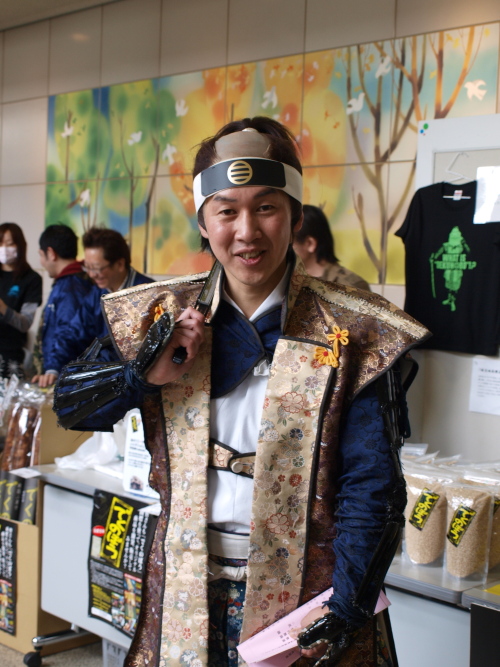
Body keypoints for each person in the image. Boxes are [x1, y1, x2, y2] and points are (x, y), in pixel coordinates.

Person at [54, 117, 429, 667]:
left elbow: (372, 484)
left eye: (266, 207)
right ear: (204, 223)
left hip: (309, 599)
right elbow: (70, 406)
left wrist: (349, 605)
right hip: (184, 586)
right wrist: (140, 375)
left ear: (295, 216)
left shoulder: (356, 330)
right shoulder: (156, 314)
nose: (247, 231)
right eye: (227, 211)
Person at [49, 227, 153, 374]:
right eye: (87, 267)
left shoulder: (148, 294)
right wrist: (53, 367)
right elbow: (74, 332)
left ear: (120, 264)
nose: (92, 275)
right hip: (104, 375)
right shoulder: (98, 293)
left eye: (96, 268)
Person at [32, 224, 93, 388]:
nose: (41, 262)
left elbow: (68, 333)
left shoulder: (71, 288)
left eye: (41, 255)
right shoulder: (68, 282)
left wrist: (53, 368)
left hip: (67, 377)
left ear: (51, 253)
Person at [293, 204, 371, 291]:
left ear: (310, 244)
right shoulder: (290, 282)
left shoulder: (351, 286)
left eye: (290, 244)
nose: (284, 250)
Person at [0, 223, 42, 378]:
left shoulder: (31, 279)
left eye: (9, 244)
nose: (4, 248)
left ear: (20, 245)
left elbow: (25, 323)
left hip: (11, 355)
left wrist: (3, 307)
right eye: (0, 243)